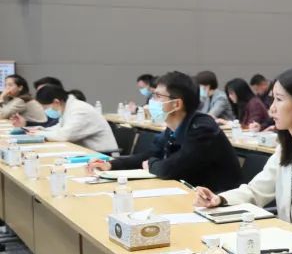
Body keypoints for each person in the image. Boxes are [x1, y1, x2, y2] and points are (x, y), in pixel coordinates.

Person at [192, 69, 292, 228]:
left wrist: (285, 233)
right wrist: (219, 199)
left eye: (279, 100)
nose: (271, 109)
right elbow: (256, 191)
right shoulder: (286, 148)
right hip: (289, 238)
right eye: (273, 99)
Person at [92, 72, 240, 189]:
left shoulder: (203, 129)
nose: (152, 101)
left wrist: (151, 164)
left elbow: (171, 168)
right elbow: (150, 155)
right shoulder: (173, 127)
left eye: (158, 96)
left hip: (219, 201)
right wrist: (111, 165)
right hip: (190, 193)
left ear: (176, 104)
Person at [17, 84, 118, 154]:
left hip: (103, 155)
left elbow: (65, 135)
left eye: (46, 107)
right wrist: (42, 130)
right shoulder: (69, 107)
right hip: (86, 152)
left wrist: (40, 134)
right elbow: (60, 127)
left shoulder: (80, 110)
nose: (45, 111)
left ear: (56, 102)